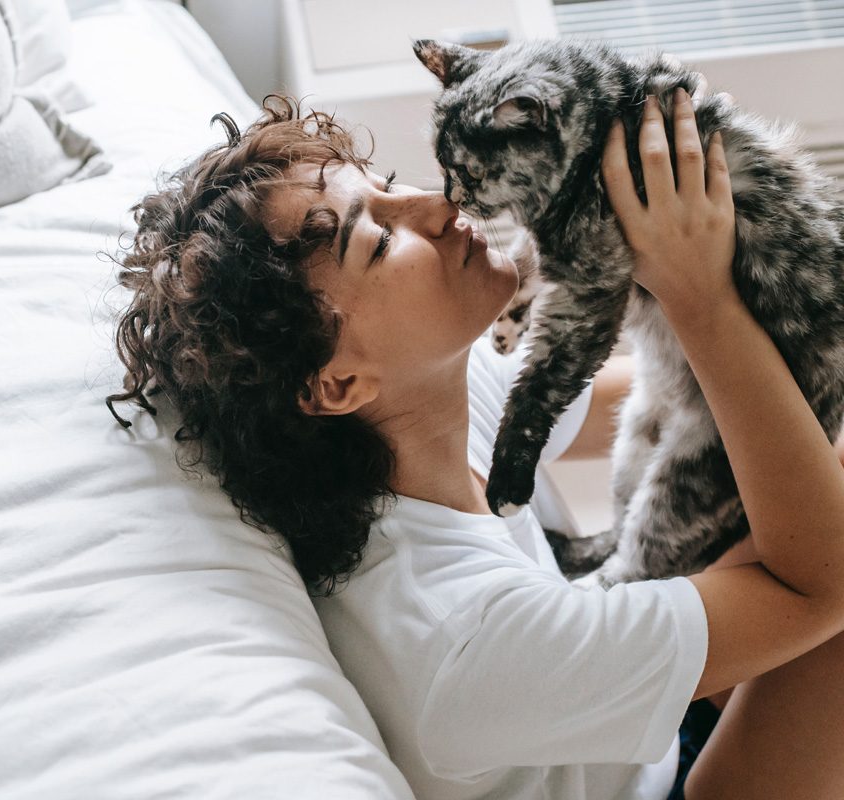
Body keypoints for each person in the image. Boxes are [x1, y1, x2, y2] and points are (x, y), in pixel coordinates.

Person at [106, 93, 844, 799]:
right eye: (379, 238)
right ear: (335, 383)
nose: (439, 204)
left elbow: (654, 412)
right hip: (658, 784)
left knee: (791, 437)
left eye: (388, 184)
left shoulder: (416, 414)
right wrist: (700, 297)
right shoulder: (463, 639)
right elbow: (822, 587)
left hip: (608, 728)